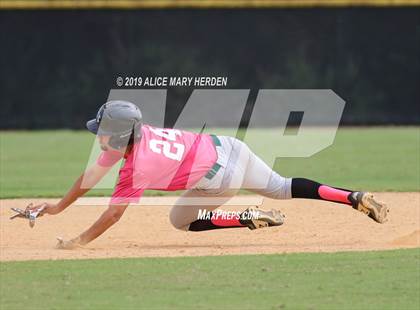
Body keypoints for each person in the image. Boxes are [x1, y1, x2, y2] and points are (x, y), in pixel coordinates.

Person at [26, 101, 388, 249]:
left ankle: (244, 216)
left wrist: (78, 242)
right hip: (231, 147)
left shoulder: (135, 167)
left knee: (178, 220)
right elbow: (89, 177)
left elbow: (113, 214)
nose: (98, 136)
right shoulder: (137, 136)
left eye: (102, 130)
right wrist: (58, 208)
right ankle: (351, 196)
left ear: (119, 135)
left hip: (219, 178)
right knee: (280, 186)